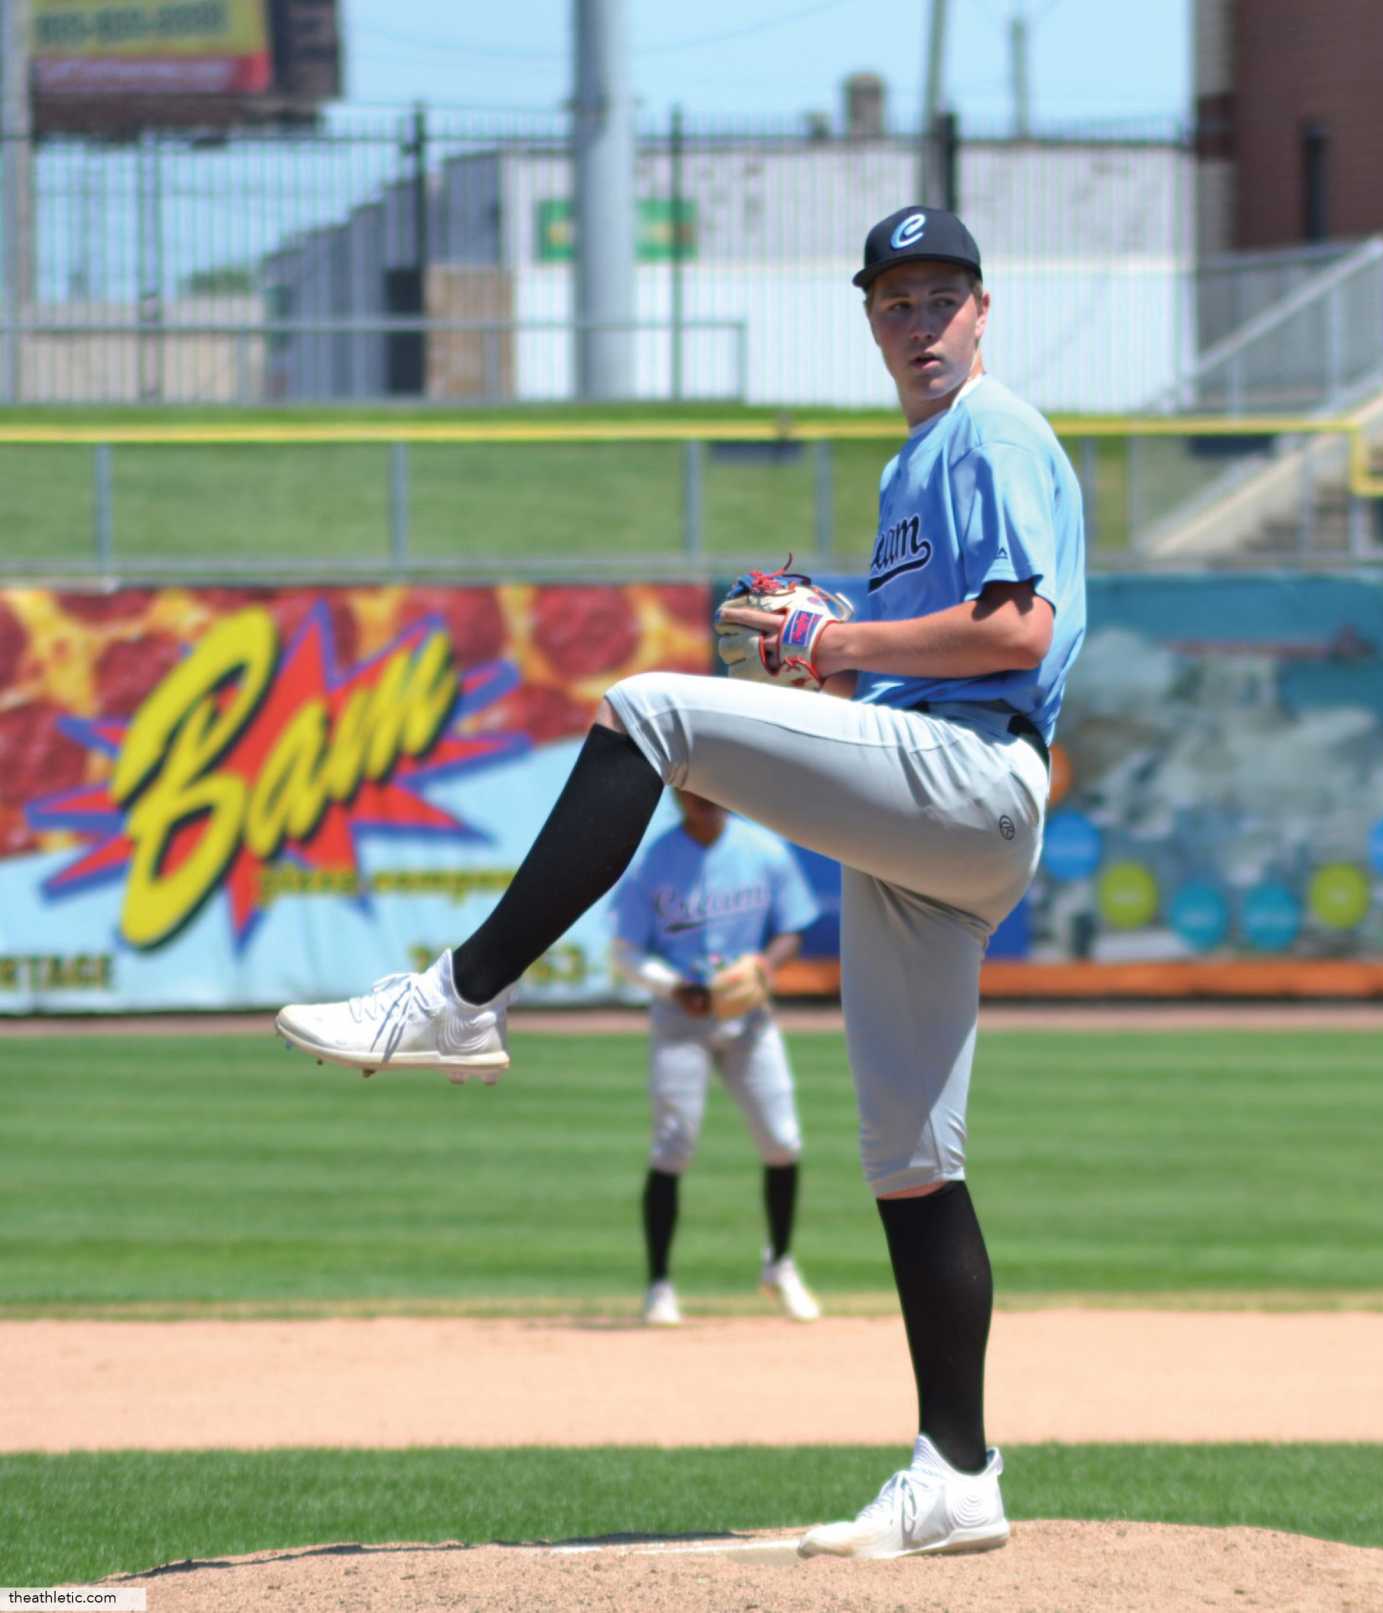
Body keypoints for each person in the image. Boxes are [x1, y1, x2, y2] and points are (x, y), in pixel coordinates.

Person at [276, 203, 1086, 1561]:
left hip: (975, 772)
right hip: (933, 812)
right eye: (895, 299)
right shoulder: (914, 470)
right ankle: (959, 1471)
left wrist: (838, 637)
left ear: (984, 311)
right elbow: (896, 644)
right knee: (910, 1160)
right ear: (872, 318)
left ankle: (459, 995)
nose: (920, 320)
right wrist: (817, 621)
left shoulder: (991, 432)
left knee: (652, 710)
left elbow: (1020, 625)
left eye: (943, 295)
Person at [609, 788, 823, 1327]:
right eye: (693, 793)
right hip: (682, 1017)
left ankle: (781, 1263)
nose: (705, 800)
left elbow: (793, 926)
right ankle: (659, 1285)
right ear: (678, 797)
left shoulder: (762, 849)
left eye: (713, 791)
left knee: (782, 1139)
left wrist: (764, 969)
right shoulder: (654, 860)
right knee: (673, 1146)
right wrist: (672, 985)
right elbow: (625, 951)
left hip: (748, 1016)